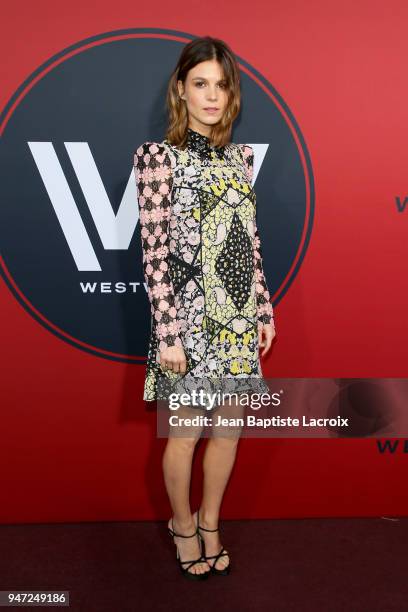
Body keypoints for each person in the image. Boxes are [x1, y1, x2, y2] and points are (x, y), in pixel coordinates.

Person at [134, 36, 276, 580]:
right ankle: (183, 525)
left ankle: (211, 521)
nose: (211, 96)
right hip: (187, 324)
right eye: (200, 84)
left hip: (238, 318)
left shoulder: (240, 160)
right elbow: (153, 253)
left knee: (229, 432)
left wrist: (262, 309)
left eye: (221, 85)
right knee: (187, 435)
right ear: (181, 90)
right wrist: (169, 331)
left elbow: (249, 241)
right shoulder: (157, 158)